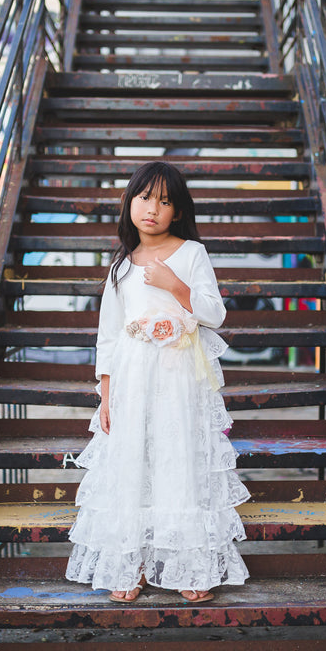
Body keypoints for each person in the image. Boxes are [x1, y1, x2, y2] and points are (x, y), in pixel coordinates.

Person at [64, 161, 250, 604]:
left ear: (178, 212)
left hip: (177, 378)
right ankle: (133, 565)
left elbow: (215, 314)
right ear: (129, 203)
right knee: (135, 463)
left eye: (165, 202)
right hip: (131, 379)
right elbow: (107, 339)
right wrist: (105, 398)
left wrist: (176, 285)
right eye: (145, 198)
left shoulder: (190, 254)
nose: (152, 209)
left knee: (178, 460)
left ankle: (191, 565)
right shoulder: (120, 268)